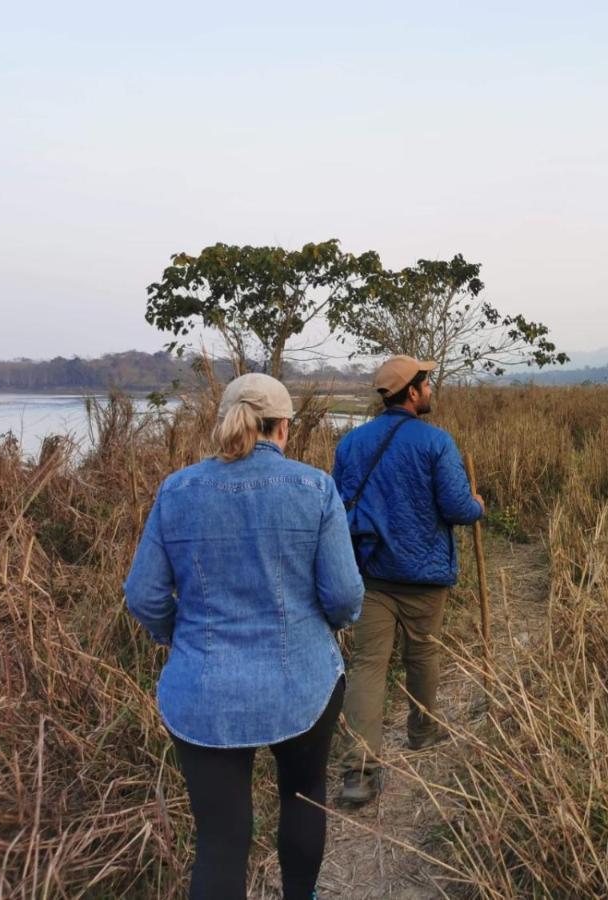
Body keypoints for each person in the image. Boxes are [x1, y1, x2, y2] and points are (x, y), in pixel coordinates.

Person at [124, 373, 363, 900]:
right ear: (282, 428)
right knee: (303, 796)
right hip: (303, 682)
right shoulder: (315, 487)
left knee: (219, 839)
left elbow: (142, 596)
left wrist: (180, 638)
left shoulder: (177, 490)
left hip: (202, 691)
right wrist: (327, 628)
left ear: (226, 424)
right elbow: (345, 596)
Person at [332, 355, 485, 806]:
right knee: (423, 654)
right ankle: (422, 731)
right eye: (427, 383)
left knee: (367, 667)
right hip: (424, 576)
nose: (431, 389)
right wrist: (478, 505)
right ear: (413, 393)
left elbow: (339, 505)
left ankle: (358, 774)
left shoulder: (351, 443)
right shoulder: (436, 442)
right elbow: (458, 509)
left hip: (371, 574)